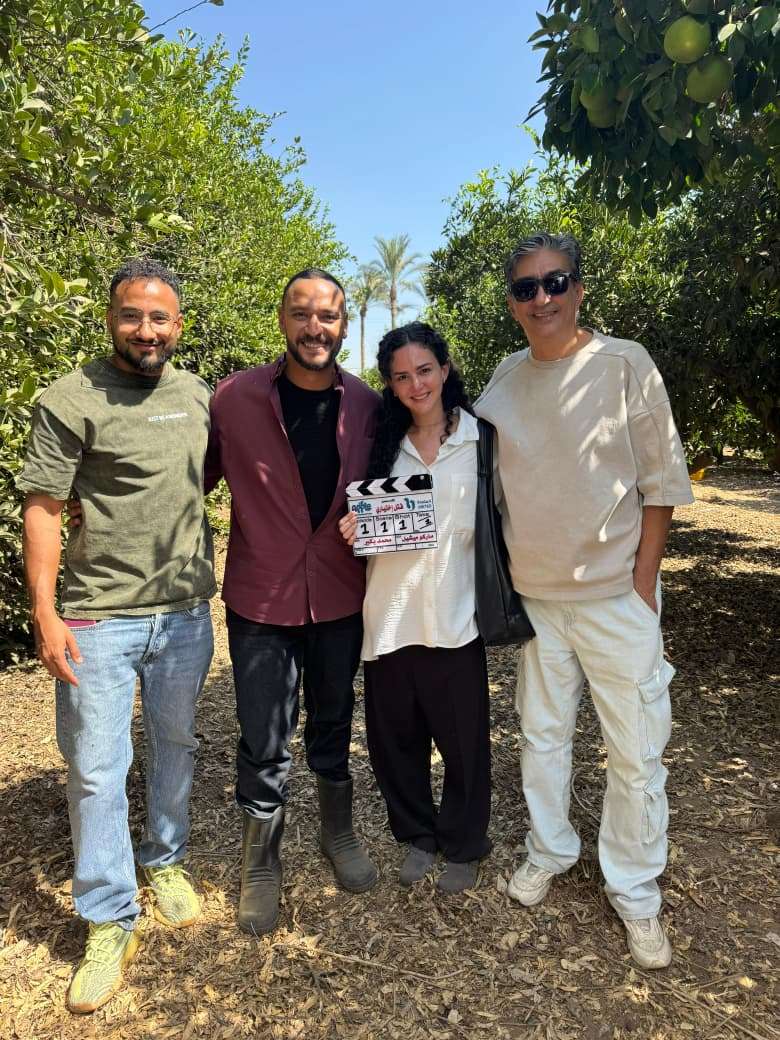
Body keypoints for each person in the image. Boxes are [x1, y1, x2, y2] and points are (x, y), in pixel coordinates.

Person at [476, 232, 694, 969]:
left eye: (555, 281)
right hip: (537, 601)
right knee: (542, 737)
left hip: (614, 600)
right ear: (513, 303)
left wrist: (642, 584)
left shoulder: (625, 364)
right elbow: (471, 470)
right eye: (526, 288)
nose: (542, 298)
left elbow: (661, 482)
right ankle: (549, 849)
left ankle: (634, 889)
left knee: (635, 752)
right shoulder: (505, 378)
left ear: (578, 288)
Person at [19, 258, 216, 1013]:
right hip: (96, 617)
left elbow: (201, 480)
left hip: (185, 613)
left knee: (177, 744)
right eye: (132, 315)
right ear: (110, 319)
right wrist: (46, 613)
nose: (146, 329)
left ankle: (165, 860)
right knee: (96, 770)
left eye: (159, 317)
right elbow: (43, 507)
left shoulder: (197, 395)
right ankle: (108, 915)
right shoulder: (70, 398)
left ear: (179, 325)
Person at [205, 268, 381, 936]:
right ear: (282, 319)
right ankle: (261, 861)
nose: (315, 327)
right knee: (263, 736)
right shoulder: (234, 399)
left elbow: (397, 484)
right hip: (261, 597)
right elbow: (189, 478)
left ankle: (338, 834)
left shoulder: (368, 405)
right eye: (301, 313)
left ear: (344, 324)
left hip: (339, 593)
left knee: (333, 723)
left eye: (327, 315)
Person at [339, 322, 491, 894]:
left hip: (456, 616)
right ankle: (418, 835)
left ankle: (465, 843)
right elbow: (362, 525)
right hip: (390, 615)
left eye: (424, 370)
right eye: (401, 376)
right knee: (395, 742)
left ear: (444, 370)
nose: (416, 384)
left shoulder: (480, 440)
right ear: (390, 384)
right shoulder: (382, 444)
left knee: (464, 743)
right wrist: (355, 528)